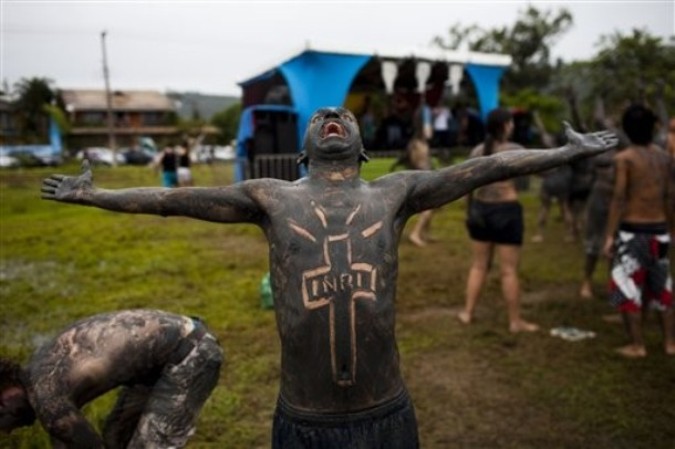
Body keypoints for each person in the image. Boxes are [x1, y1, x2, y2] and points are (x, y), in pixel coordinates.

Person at [41, 107, 617, 448]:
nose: (331, 117)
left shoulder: (397, 191)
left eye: (343, 116)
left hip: (386, 413)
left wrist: (562, 155)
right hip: (303, 418)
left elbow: (485, 167)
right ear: (303, 150)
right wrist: (96, 195)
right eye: (320, 117)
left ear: (363, 149)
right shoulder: (269, 196)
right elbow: (173, 198)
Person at [0, 309, 223, 448]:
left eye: (2, 419)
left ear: (4, 398)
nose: (9, 429)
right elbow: (65, 437)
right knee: (117, 437)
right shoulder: (37, 372)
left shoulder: (46, 398)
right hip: (170, 351)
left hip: (191, 355)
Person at [457, 108, 540, 333]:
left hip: (480, 211)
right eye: (511, 123)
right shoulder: (516, 150)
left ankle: (467, 312)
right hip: (506, 211)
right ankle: (515, 321)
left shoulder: (477, 151)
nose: (513, 126)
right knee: (509, 271)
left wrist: (469, 212)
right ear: (505, 126)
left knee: (478, 265)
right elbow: (531, 178)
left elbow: (466, 186)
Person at [603, 104, 674, 358]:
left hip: (633, 232)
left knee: (626, 288)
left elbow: (619, 198)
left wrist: (610, 235)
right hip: (660, 231)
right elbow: (669, 196)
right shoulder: (665, 158)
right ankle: (669, 343)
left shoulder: (624, 159)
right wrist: (671, 229)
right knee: (662, 288)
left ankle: (637, 345)